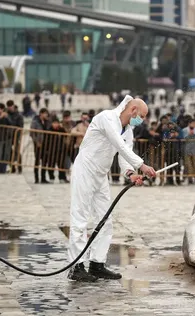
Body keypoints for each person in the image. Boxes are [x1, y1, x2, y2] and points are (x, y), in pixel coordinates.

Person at [67, 95, 156, 282]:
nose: (143, 120)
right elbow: (119, 145)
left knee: (105, 220)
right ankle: (77, 266)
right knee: (80, 218)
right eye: (142, 115)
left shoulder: (128, 130)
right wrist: (142, 165)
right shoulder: (106, 118)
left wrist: (131, 173)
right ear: (132, 111)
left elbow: (124, 156)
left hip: (101, 175)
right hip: (85, 170)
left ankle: (97, 263)